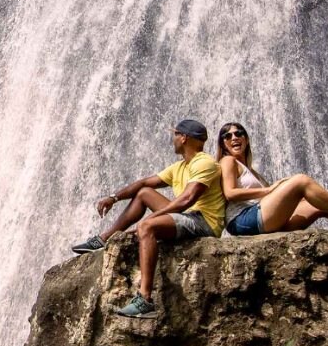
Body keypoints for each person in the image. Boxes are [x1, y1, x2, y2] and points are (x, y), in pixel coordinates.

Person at [71, 119, 226, 319]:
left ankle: (145, 299)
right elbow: (144, 182)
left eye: (175, 135)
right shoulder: (180, 166)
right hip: (186, 215)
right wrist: (114, 198)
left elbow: (186, 200)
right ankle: (103, 239)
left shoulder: (204, 162)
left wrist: (153, 218)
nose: (173, 140)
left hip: (203, 222)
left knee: (146, 227)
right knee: (144, 192)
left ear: (183, 138)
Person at [217, 122, 328, 235]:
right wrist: (270, 190)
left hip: (260, 219)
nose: (234, 137)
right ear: (223, 144)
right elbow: (230, 193)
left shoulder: (253, 172)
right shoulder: (228, 161)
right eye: (228, 136)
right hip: (243, 221)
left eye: (239, 133)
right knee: (301, 181)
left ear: (246, 140)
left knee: (319, 205)